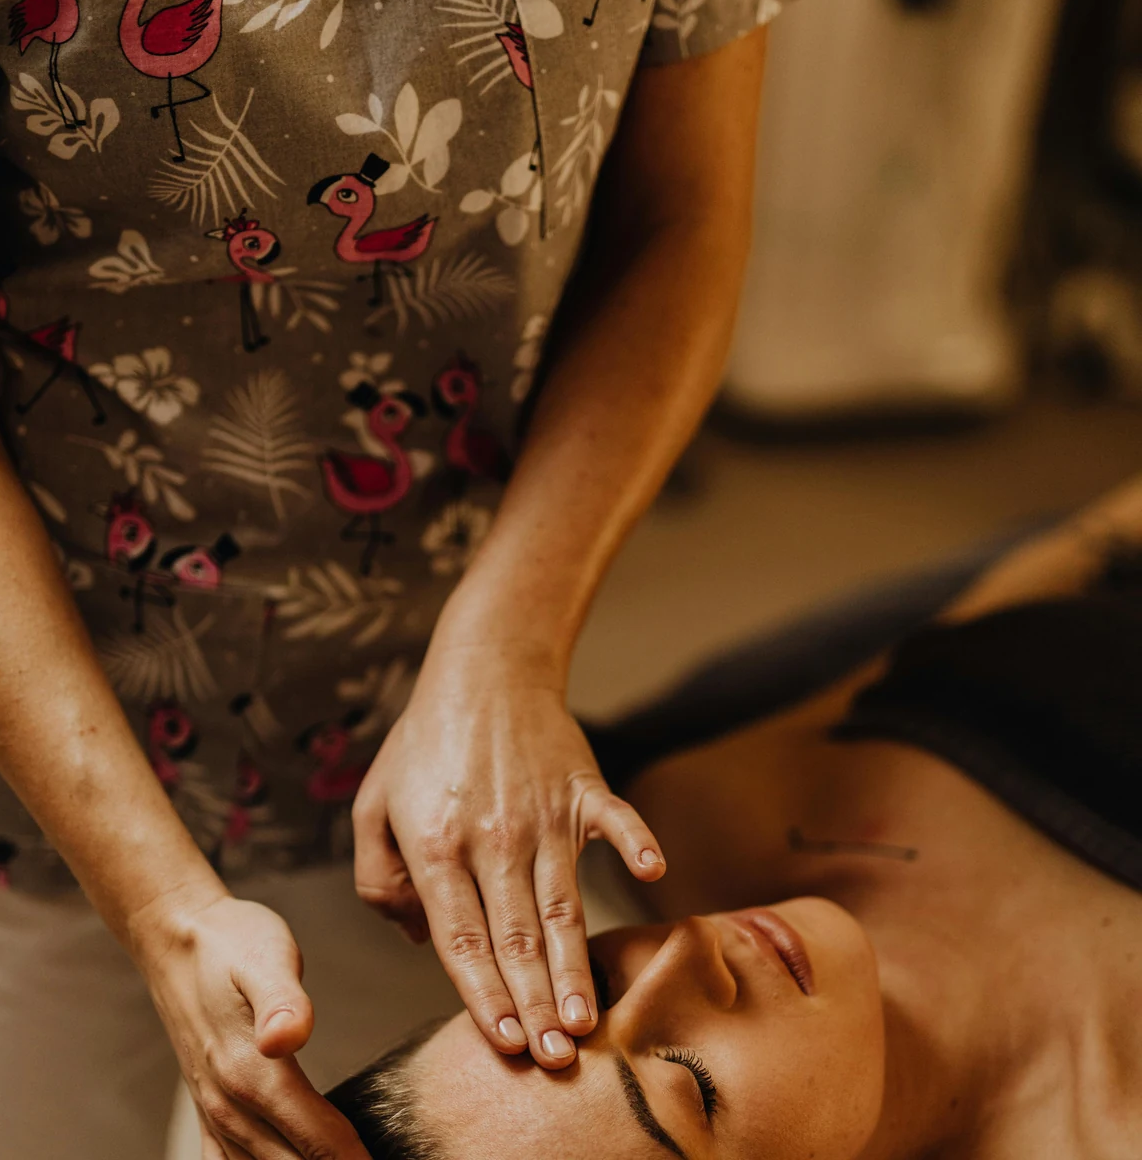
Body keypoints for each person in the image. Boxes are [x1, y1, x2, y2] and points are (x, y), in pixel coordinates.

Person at [0, 0, 865, 1156]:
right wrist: (162, 906)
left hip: (426, 767)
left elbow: (677, 223)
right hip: (22, 741)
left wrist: (507, 647)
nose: (681, 946)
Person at [326, 473, 1142, 1159]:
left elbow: (1027, 587)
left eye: (593, 986)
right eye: (690, 1081)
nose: (685, 951)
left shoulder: (707, 809)